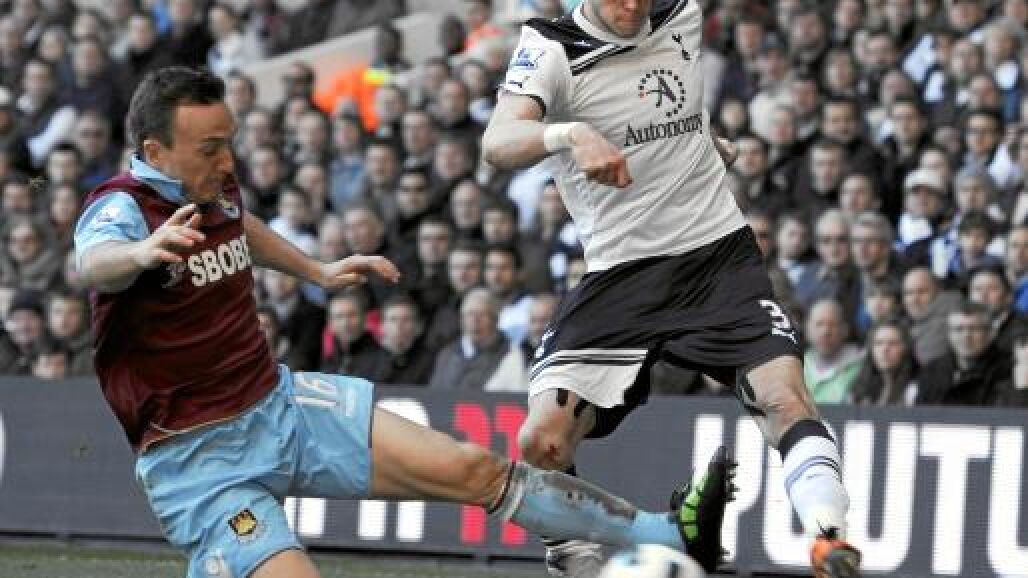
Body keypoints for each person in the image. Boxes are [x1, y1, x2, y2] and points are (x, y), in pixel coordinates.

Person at [73, 67, 735, 578]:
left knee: (476, 469)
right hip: (198, 459)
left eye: (229, 144)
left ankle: (671, 535)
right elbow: (94, 263)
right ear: (155, 150)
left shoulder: (208, 187)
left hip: (279, 407)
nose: (228, 162)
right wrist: (140, 253)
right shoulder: (121, 210)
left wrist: (315, 270)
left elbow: (239, 225)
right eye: (211, 148)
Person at [483, 2, 860, 577]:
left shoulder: (680, 13)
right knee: (542, 441)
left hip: (718, 259)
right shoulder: (552, 48)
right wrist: (570, 134)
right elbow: (499, 140)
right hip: (621, 274)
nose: (634, 6)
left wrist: (706, 141)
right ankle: (572, 555)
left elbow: (667, 104)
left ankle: (829, 539)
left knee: (785, 397)